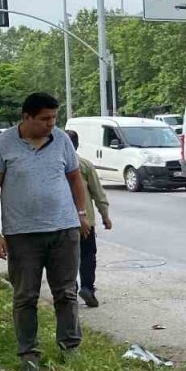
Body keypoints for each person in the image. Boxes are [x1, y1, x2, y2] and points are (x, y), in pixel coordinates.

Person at [0, 93, 90, 371]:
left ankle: (70, 346)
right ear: (26, 117)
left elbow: (75, 178)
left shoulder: (62, 140)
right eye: (44, 119)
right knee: (25, 295)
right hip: (22, 235)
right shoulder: (3, 144)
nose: (50, 124)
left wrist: (81, 215)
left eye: (54, 118)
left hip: (64, 231)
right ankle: (28, 352)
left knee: (66, 292)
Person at [65, 129, 111, 308]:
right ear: (76, 146)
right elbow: (98, 193)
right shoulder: (84, 165)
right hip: (85, 221)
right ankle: (87, 287)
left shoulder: (53, 165)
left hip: (61, 223)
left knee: (66, 258)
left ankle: (70, 289)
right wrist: (105, 216)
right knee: (87, 255)